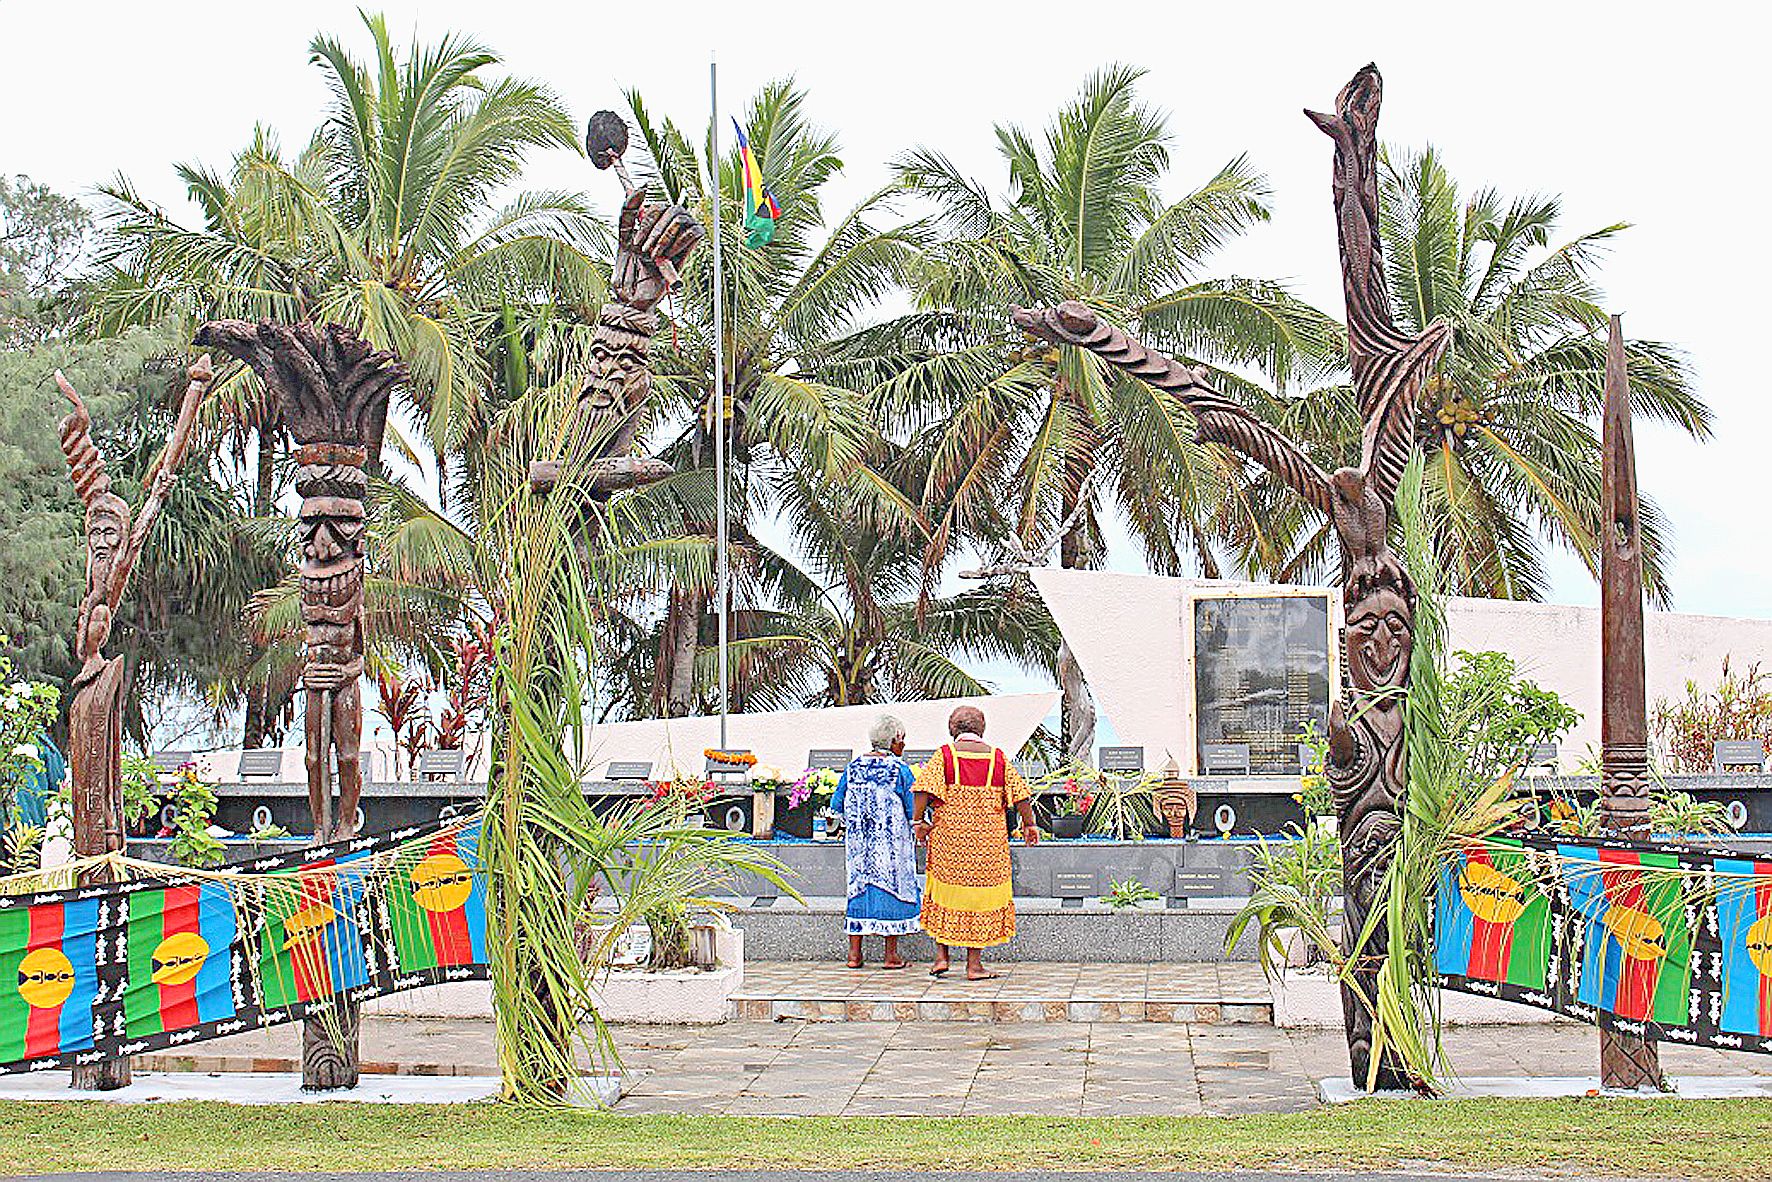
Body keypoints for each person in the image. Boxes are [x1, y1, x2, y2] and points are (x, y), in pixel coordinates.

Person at [913, 705, 1038, 980]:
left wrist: (918, 821)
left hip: (949, 842)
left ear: (952, 729)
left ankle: (941, 957)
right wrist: (1029, 824)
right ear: (982, 728)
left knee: (944, 893)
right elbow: (1021, 795)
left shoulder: (945, 755)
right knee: (980, 899)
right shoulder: (997, 758)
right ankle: (974, 965)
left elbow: (922, 789)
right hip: (987, 846)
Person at [831, 714, 921, 969]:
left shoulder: (853, 767)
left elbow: (836, 805)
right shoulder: (899, 769)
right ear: (894, 741)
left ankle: (854, 955)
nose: (904, 744)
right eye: (902, 739)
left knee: (858, 892)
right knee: (893, 892)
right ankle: (891, 956)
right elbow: (913, 809)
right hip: (891, 847)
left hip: (860, 847)